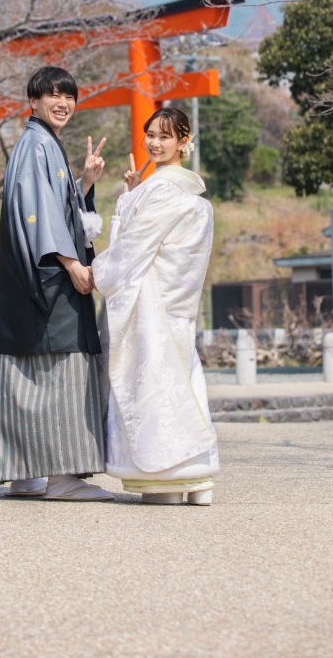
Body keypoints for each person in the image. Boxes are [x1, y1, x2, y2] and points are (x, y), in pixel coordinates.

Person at [0, 65, 113, 502]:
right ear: (33, 101)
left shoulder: (40, 145)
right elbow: (38, 213)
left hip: (30, 278)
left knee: (24, 372)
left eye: (70, 96)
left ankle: (23, 473)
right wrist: (72, 263)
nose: (63, 102)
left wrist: (85, 182)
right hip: (51, 276)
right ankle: (61, 476)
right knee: (65, 367)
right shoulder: (37, 145)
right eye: (53, 95)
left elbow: (52, 205)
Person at [93, 106, 219, 506]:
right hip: (178, 307)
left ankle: (164, 476)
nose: (154, 142)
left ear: (184, 142)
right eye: (150, 134)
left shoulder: (161, 189)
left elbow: (132, 247)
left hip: (152, 307)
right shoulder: (188, 193)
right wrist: (134, 194)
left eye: (165, 136)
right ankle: (199, 477)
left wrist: (95, 272)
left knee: (152, 385)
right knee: (185, 380)